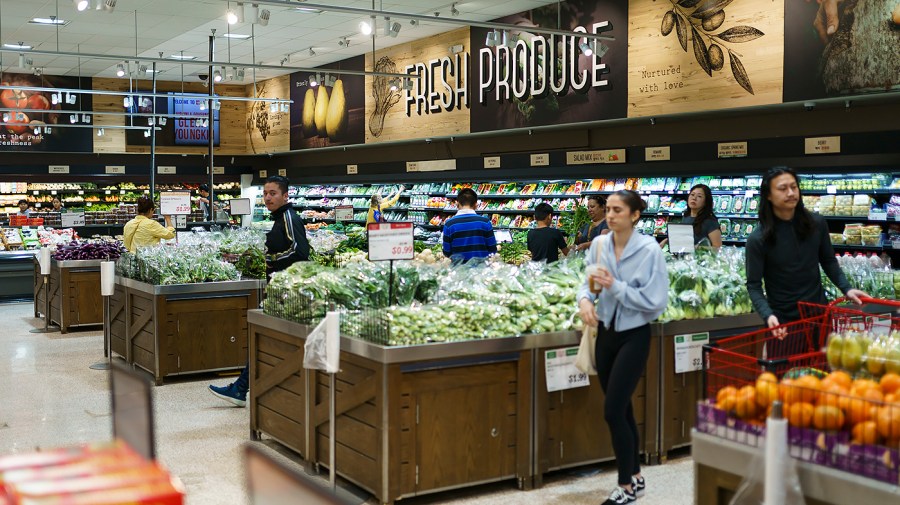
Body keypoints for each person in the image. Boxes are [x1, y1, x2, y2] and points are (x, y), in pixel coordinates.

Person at [577, 190, 668, 505]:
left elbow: (655, 302)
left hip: (634, 334)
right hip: (605, 333)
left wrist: (615, 287)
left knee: (613, 409)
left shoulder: (649, 251)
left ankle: (625, 485)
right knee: (623, 407)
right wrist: (586, 300)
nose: (611, 214)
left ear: (634, 215)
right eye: (609, 209)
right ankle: (637, 477)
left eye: (618, 209)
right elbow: (587, 279)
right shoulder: (600, 244)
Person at [209, 175, 310, 407]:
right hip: (279, 289)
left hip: (287, 291)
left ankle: (241, 388)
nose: (267, 198)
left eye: (273, 193)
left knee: (264, 337)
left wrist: (270, 260)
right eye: (265, 193)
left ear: (286, 195)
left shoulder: (289, 218)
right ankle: (241, 388)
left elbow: (300, 251)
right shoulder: (280, 218)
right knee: (264, 337)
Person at [746, 167, 866, 338]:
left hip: (819, 315)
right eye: (782, 188)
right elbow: (754, 285)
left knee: (823, 365)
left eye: (794, 187)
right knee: (788, 366)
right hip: (784, 323)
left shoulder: (816, 224)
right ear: (768, 195)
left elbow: (828, 261)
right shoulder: (758, 239)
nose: (790, 193)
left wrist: (846, 288)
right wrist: (768, 315)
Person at [441, 188, 497, 262]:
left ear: (457, 204)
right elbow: (492, 250)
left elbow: (447, 253)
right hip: (482, 270)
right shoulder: (485, 222)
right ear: (476, 205)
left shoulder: (449, 224)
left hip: (458, 270)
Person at [681, 184, 722, 248]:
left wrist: (699, 248)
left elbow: (717, 247)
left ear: (706, 201)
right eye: (692, 195)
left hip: (702, 257)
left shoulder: (710, 222)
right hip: (685, 257)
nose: (694, 198)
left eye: (699, 196)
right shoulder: (686, 217)